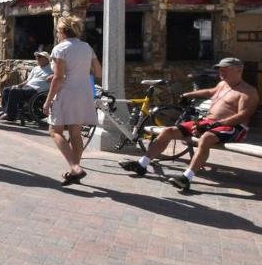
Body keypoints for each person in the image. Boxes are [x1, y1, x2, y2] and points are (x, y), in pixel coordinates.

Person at [120, 57, 258, 191]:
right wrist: (188, 94)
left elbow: (243, 116)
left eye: (226, 69)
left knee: (206, 138)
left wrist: (215, 125)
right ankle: (142, 164)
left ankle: (186, 178)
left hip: (232, 127)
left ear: (239, 69)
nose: (221, 72)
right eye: (220, 69)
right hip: (208, 122)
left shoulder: (248, 92)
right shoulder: (223, 85)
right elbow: (210, 91)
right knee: (168, 131)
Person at [42, 16, 101, 185]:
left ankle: (75, 167)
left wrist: (48, 101)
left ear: (61, 31)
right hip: (84, 92)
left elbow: (59, 78)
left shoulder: (60, 49)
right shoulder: (86, 47)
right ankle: (75, 171)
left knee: (55, 131)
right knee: (75, 133)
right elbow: (98, 72)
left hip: (67, 93)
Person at [0, 52, 53, 122]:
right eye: (36, 57)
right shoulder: (35, 68)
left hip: (37, 90)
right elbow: (27, 80)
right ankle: (6, 111)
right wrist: (18, 85)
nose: (37, 58)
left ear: (46, 59)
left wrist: (52, 76)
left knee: (14, 92)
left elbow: (61, 74)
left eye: (39, 57)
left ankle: (11, 115)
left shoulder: (51, 68)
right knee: (7, 89)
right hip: (27, 87)